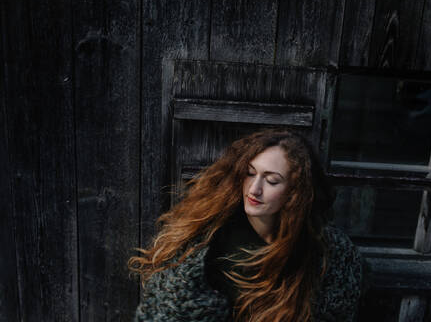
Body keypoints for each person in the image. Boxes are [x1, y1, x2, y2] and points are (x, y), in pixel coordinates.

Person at [129, 129, 362, 322]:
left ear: (295, 192)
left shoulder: (328, 253)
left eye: (272, 181)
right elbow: (163, 310)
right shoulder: (204, 244)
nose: (254, 189)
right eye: (250, 174)